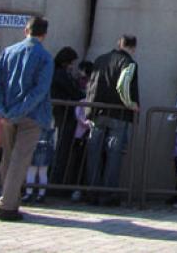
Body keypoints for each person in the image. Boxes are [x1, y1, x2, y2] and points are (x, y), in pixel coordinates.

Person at [0, 16, 54, 221]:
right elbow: (40, 90)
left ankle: (10, 200)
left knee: (8, 157)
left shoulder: (8, 52)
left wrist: (3, 109)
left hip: (7, 112)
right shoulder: (45, 58)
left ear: (26, 30)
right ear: (44, 34)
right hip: (32, 115)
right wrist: (19, 110)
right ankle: (7, 205)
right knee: (20, 159)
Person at [84, 34, 139, 206]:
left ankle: (92, 192)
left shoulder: (100, 60)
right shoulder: (128, 63)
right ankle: (108, 195)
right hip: (118, 114)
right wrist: (130, 104)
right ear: (133, 48)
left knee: (94, 153)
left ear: (118, 43)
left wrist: (88, 110)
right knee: (114, 155)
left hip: (97, 112)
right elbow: (122, 85)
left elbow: (90, 85)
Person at [49, 46, 84, 190]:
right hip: (62, 115)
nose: (72, 66)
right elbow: (74, 92)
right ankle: (54, 184)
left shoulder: (56, 73)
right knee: (60, 150)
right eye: (71, 63)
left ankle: (55, 182)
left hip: (62, 114)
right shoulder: (60, 74)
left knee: (60, 150)